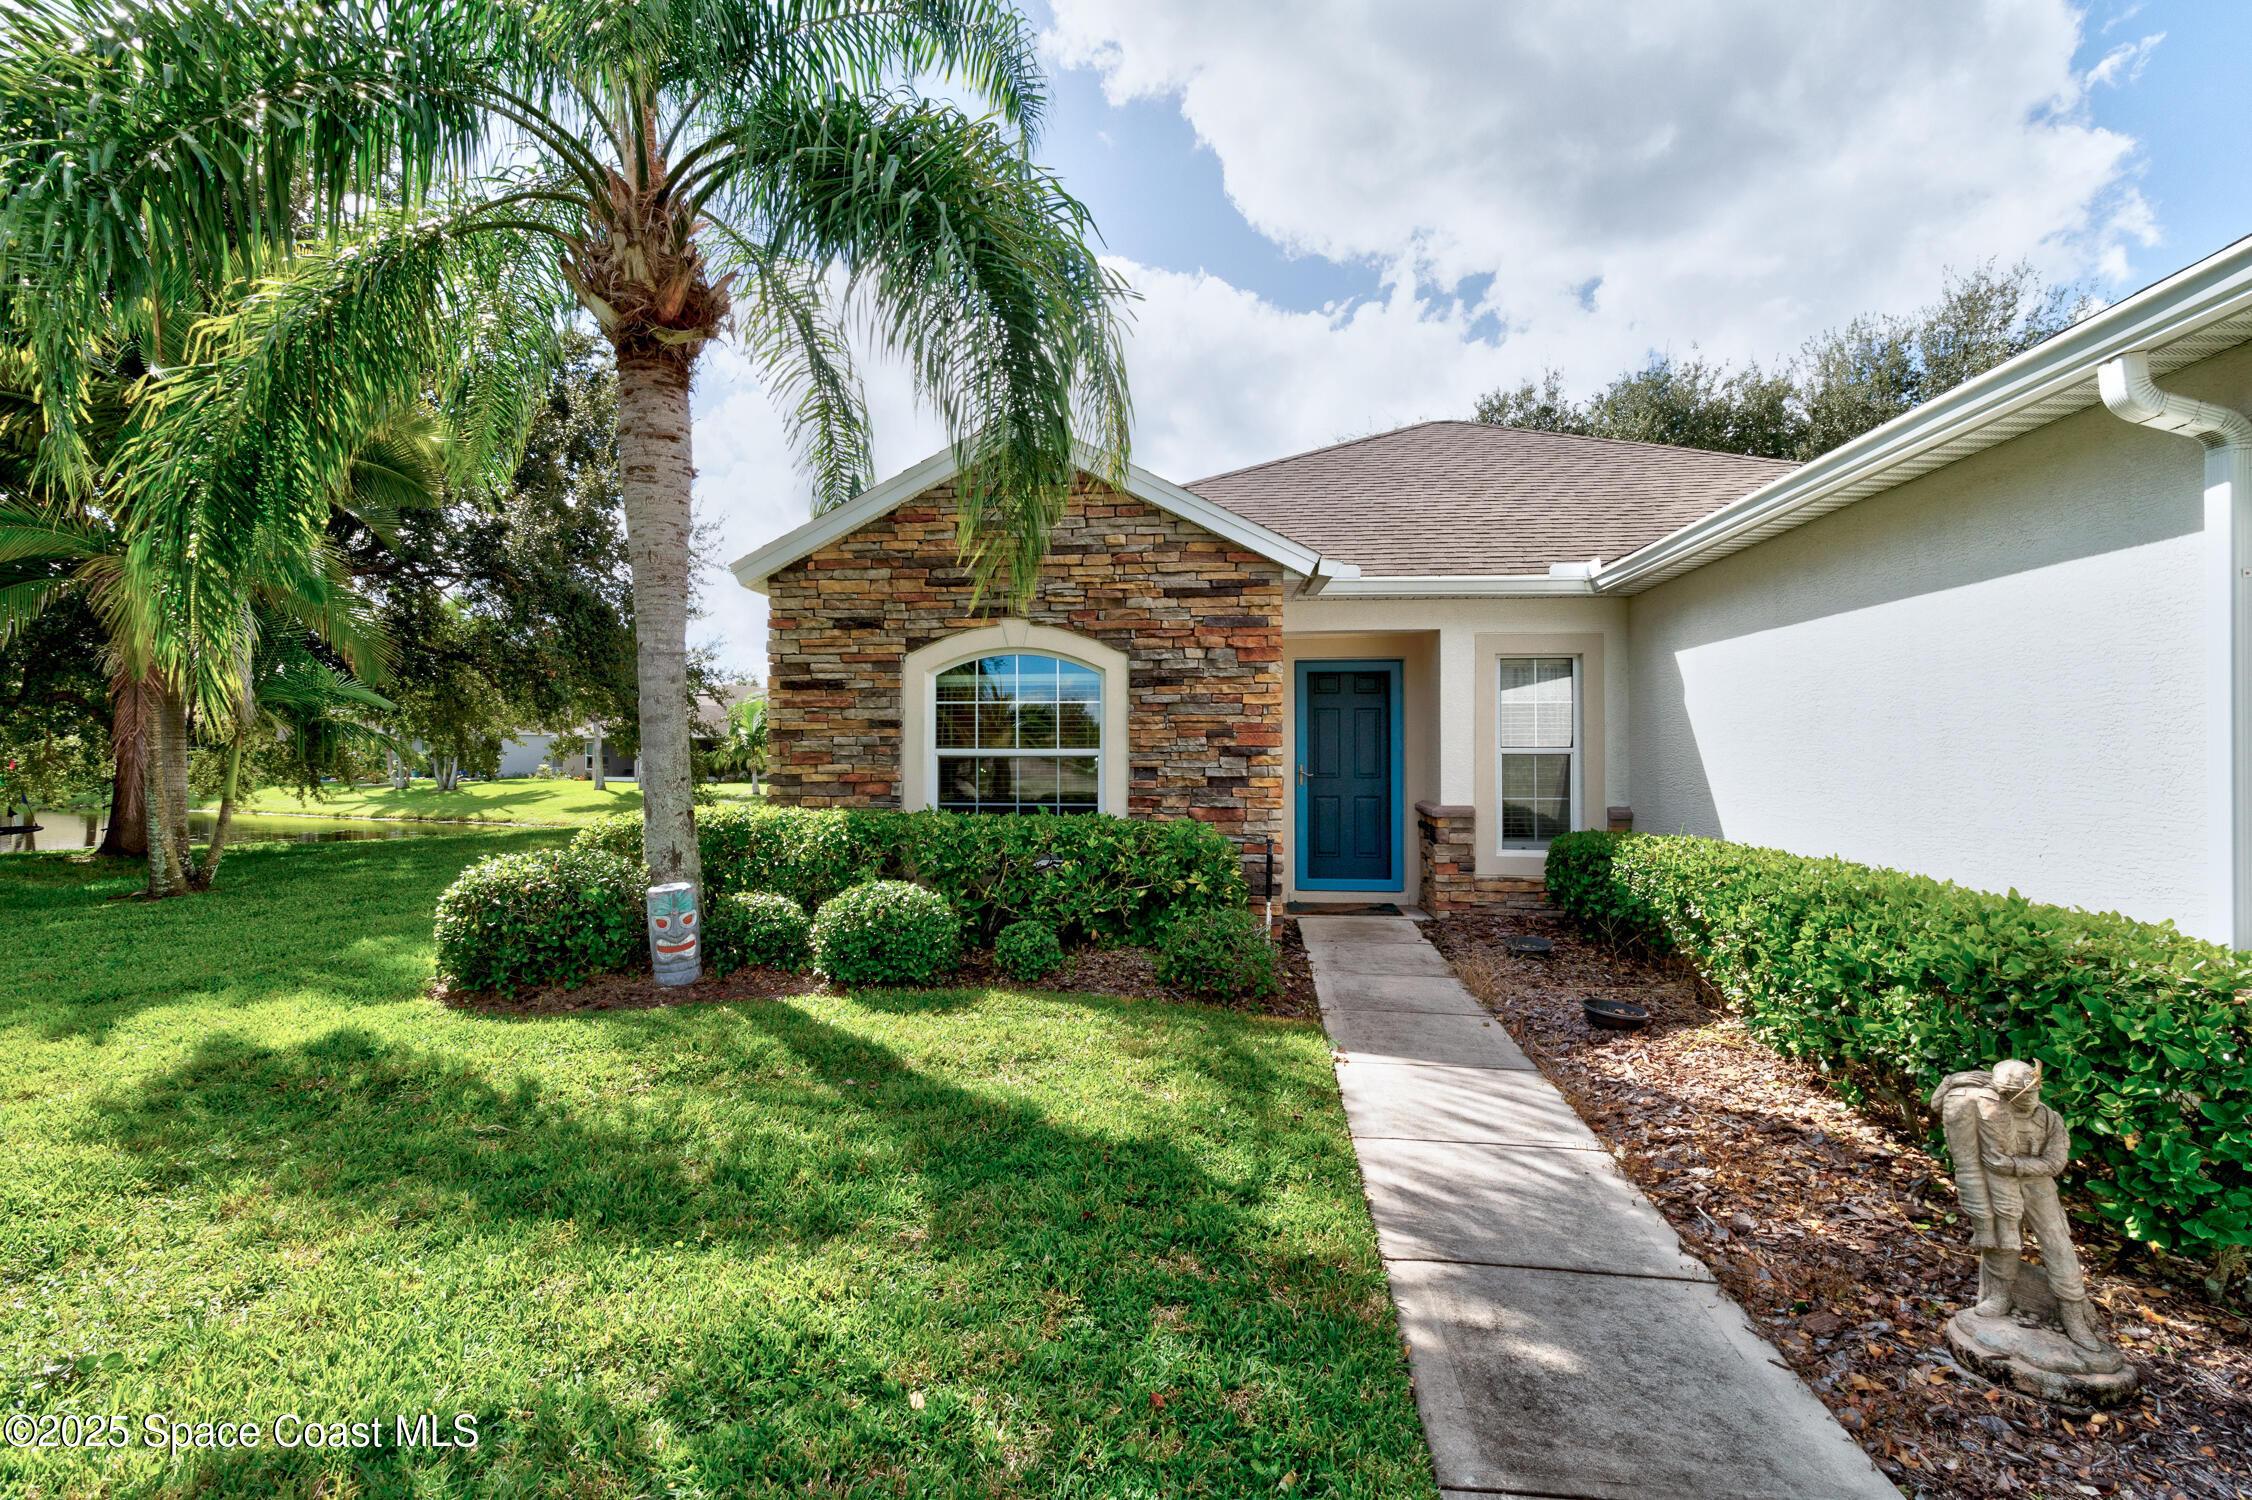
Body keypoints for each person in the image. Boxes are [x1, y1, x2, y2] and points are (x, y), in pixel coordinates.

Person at [1931, 1060, 2116, 1362]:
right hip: (2000, 1185)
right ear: (2005, 1094)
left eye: (2034, 1090)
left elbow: (2055, 1163)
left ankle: (2072, 1313)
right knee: (2003, 1241)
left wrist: (2014, 1166)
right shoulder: (1989, 1109)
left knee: (2058, 1244)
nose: (2030, 1097)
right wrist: (1954, 1079)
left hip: (2038, 1187)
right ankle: (2000, 1295)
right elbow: (1940, 1105)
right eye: (2020, 1093)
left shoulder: (2050, 1119)